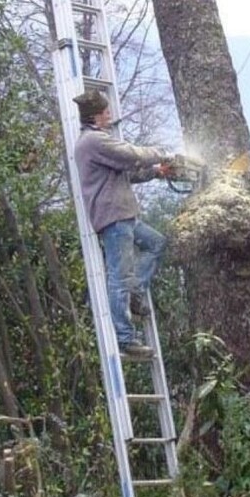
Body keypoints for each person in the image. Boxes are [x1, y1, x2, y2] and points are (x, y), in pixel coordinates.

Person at [72, 90, 169, 357]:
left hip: (123, 214)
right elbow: (130, 155)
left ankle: (136, 292)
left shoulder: (96, 142)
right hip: (113, 217)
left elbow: (128, 173)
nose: (109, 115)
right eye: (106, 112)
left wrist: (156, 172)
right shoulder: (93, 141)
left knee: (156, 243)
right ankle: (127, 339)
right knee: (119, 276)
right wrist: (162, 153)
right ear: (95, 115)